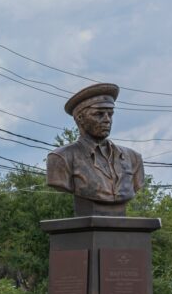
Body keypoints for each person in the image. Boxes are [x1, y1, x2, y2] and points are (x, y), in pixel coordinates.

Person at [46, 83, 144, 215]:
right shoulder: (61, 158)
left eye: (110, 114)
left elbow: (135, 185)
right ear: (80, 119)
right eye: (99, 114)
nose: (107, 120)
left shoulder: (133, 158)